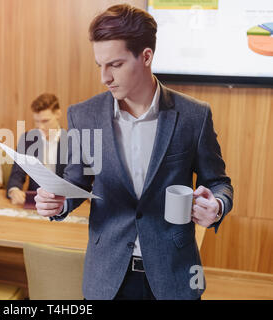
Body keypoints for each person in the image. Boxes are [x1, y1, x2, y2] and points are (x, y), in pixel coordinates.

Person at [34, 4, 233, 300]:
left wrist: (216, 204)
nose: (104, 77)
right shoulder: (83, 115)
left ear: (146, 57)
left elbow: (219, 182)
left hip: (175, 275)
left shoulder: (194, 116)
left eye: (115, 64)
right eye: (99, 65)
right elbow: (76, 182)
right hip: (107, 277)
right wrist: (58, 202)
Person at [7, 93, 67, 205]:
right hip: (35, 202)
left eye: (45, 121)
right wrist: (14, 190)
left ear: (58, 114)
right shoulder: (27, 140)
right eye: (37, 121)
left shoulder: (74, 141)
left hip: (65, 203)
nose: (41, 127)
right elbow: (17, 174)